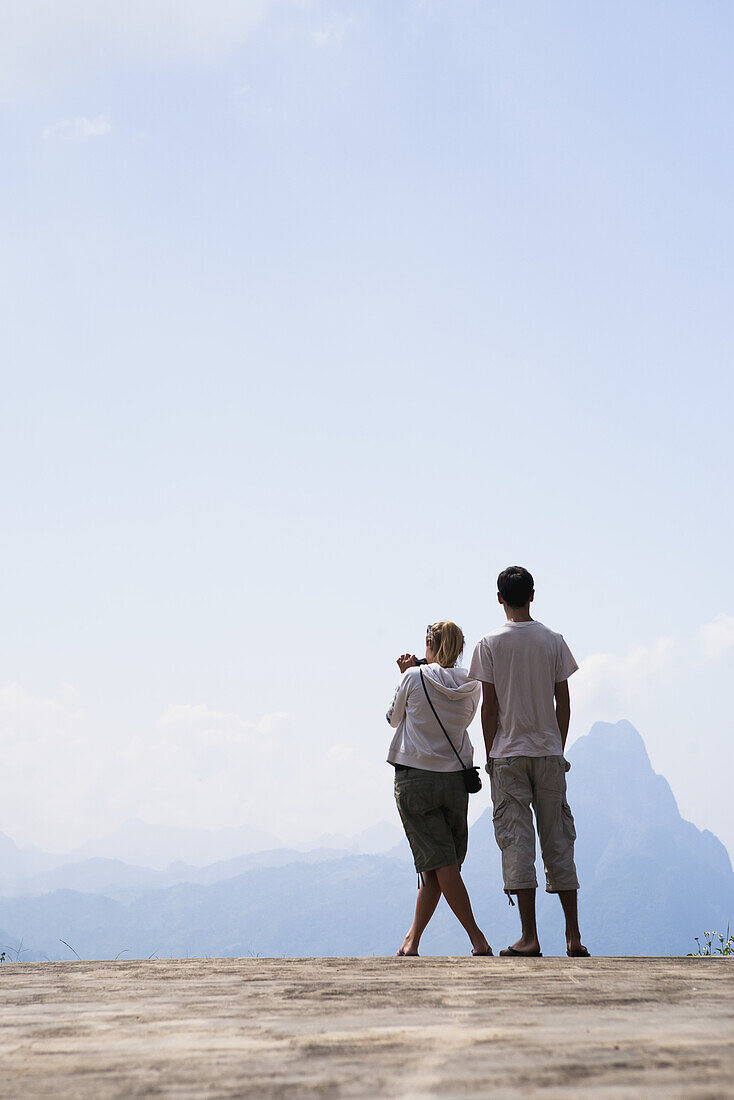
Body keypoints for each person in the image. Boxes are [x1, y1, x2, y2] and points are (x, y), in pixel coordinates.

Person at [468, 567, 590, 958]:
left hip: (508, 755)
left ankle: (529, 937)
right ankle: (573, 936)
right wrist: (556, 744)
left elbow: (490, 708)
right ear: (533, 595)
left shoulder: (488, 644)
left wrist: (491, 754)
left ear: (499, 598)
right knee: (559, 838)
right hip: (548, 752)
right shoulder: (553, 641)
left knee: (516, 841)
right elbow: (564, 702)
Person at [386, 621, 492, 958]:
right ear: (459, 649)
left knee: (440, 862)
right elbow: (463, 720)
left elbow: (392, 718)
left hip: (416, 779)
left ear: (429, 642)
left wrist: (406, 673)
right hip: (454, 782)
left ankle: (477, 939)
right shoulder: (472, 684)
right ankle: (411, 941)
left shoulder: (413, 677)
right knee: (439, 864)